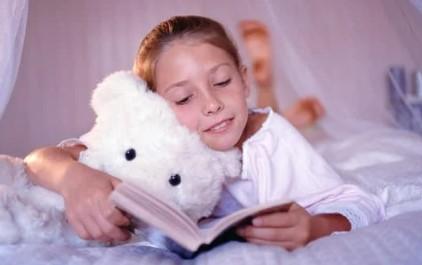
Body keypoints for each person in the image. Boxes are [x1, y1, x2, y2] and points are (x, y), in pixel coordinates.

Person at [24, 15, 384, 251]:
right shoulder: (150, 132)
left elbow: (358, 203)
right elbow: (39, 160)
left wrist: (313, 227)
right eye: (184, 98)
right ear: (155, 106)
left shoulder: (268, 138)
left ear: (244, 80)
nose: (212, 104)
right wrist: (73, 178)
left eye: (222, 82)